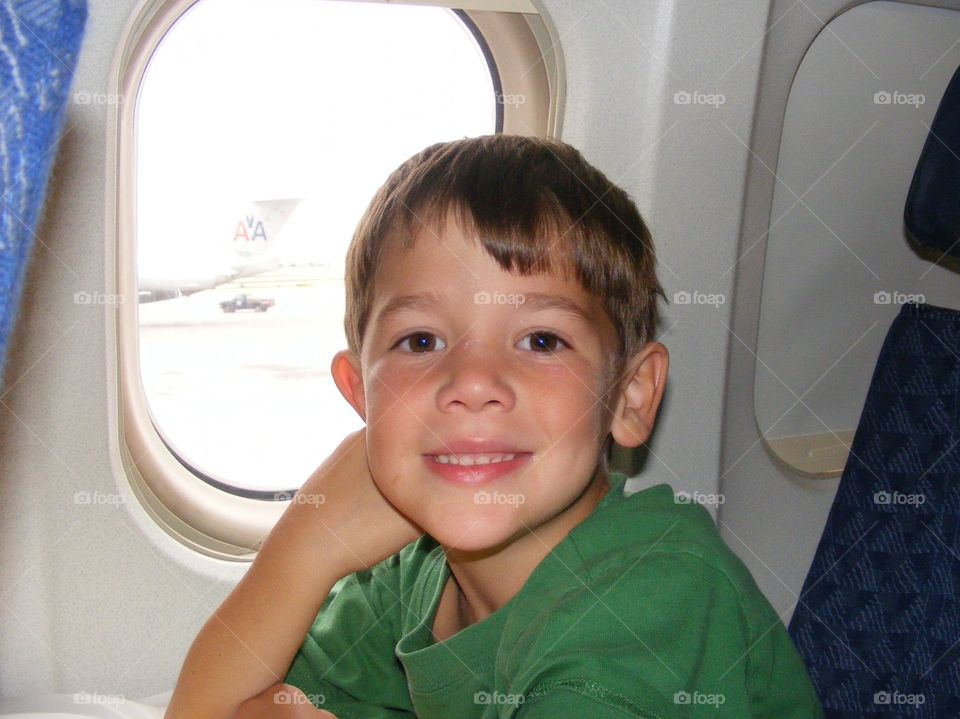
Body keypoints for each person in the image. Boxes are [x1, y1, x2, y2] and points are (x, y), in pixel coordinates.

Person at [165, 135, 824, 718]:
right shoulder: (413, 575)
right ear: (359, 392)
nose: (472, 383)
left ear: (629, 395)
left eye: (541, 340)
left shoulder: (655, 604)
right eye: (421, 340)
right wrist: (309, 543)